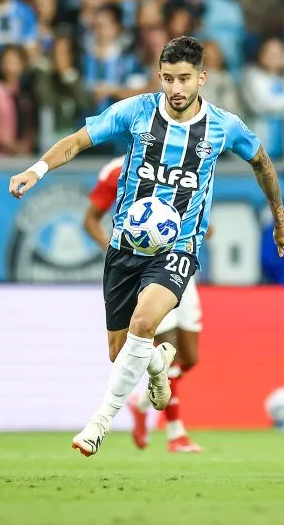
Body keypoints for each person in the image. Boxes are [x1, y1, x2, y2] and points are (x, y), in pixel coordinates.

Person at [9, 35, 284, 457]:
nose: (176, 89)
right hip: (126, 246)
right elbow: (76, 140)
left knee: (144, 324)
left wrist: (280, 219)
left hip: (177, 248)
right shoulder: (136, 112)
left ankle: (98, 424)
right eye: (168, 79)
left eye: (184, 79)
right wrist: (36, 170)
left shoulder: (223, 126)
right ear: (159, 77)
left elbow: (262, 162)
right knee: (119, 353)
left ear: (202, 78)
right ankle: (159, 364)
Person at [84, 156, 204, 453]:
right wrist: (114, 251)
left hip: (180, 261)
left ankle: (141, 404)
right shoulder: (116, 169)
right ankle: (176, 433)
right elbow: (90, 218)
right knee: (159, 343)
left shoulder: (183, 158)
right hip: (144, 271)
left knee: (188, 356)